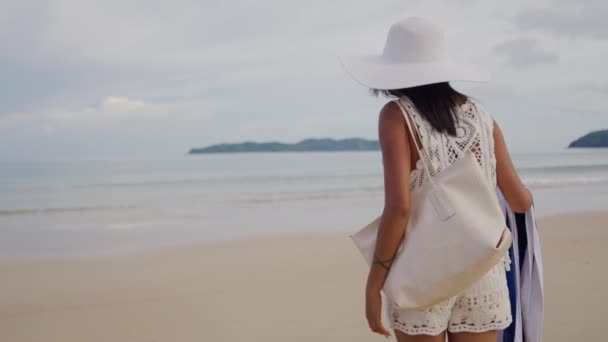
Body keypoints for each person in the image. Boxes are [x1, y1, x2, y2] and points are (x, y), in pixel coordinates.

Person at [339, 17, 533, 342]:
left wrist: (374, 285)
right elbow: (520, 200)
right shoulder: (482, 117)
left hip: (423, 271)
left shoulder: (396, 115)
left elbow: (399, 208)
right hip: (482, 271)